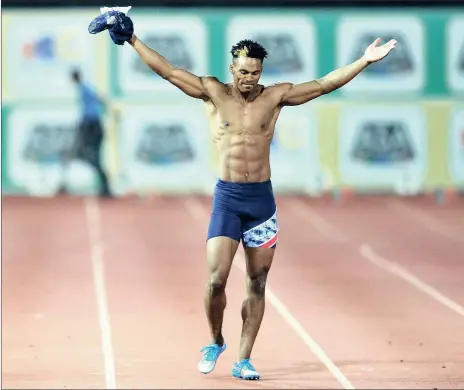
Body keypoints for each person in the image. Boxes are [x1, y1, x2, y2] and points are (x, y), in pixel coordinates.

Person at [88, 9, 396, 380]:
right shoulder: (213, 92)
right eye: (244, 71)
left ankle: (244, 358)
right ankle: (216, 340)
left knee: (258, 283)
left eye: (255, 72)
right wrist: (134, 41)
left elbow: (324, 84)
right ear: (232, 68)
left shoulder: (276, 96)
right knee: (216, 279)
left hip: (262, 203)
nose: (249, 78)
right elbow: (168, 71)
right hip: (228, 199)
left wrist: (363, 60)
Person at [62, 69, 112, 198]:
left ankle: (105, 186)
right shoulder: (85, 88)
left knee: (85, 154)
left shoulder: (84, 88)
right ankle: (105, 186)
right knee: (84, 154)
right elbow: (101, 99)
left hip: (91, 126)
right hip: (93, 125)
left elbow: (97, 103)